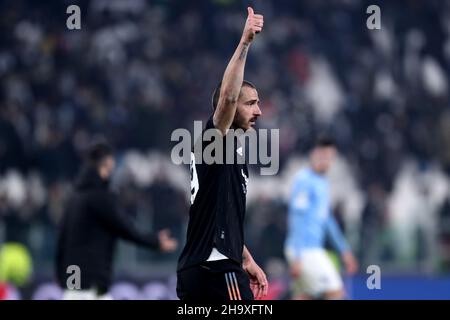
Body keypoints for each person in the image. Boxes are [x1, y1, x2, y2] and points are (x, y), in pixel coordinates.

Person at [176, 7, 268, 301]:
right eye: (251, 103)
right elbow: (228, 97)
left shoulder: (229, 155)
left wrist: (246, 257)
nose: (258, 111)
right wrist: (245, 42)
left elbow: (219, 217)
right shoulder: (214, 141)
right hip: (216, 270)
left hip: (200, 268)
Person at [56, 140, 177, 300]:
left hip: (73, 286)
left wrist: (62, 279)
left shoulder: (75, 198)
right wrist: (154, 241)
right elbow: (125, 228)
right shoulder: (99, 197)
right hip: (91, 287)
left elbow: (61, 241)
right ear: (107, 162)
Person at [284, 137, 358, 300]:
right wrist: (297, 256)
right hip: (305, 251)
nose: (327, 161)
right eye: (323, 156)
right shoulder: (304, 180)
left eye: (330, 157)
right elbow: (297, 219)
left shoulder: (323, 183)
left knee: (305, 296)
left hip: (310, 250)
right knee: (335, 291)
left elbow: (327, 222)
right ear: (313, 154)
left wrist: (344, 250)